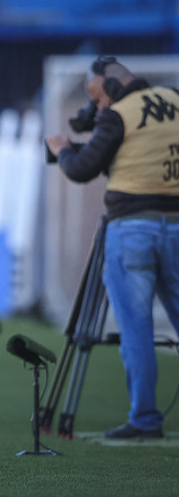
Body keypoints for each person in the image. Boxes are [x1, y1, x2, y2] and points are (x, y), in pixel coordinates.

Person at [46, 55, 179, 440]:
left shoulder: (119, 114)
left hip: (133, 227)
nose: (98, 106)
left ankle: (145, 418)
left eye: (99, 97)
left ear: (115, 89)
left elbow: (82, 168)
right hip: (177, 225)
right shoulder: (173, 98)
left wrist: (62, 151)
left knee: (136, 329)